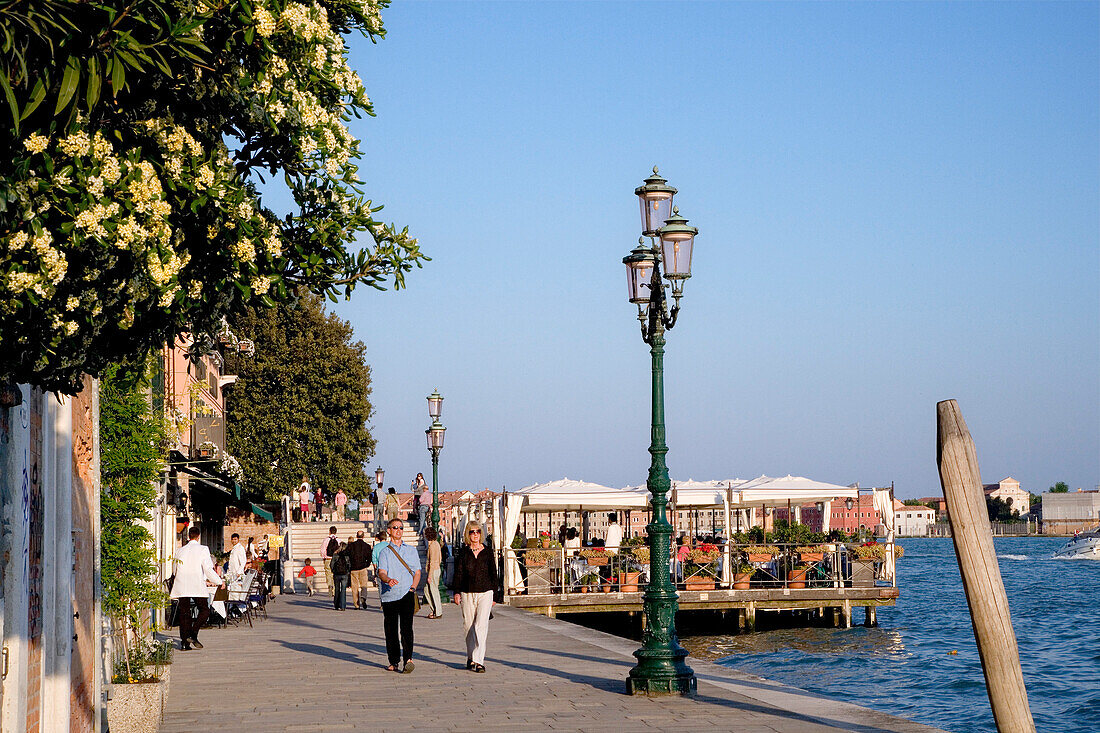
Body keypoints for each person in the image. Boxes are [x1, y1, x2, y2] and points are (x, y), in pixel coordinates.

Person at [451, 520, 497, 673]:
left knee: (480, 625)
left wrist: (496, 594)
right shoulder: (463, 553)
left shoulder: (488, 552)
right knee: (469, 626)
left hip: (486, 592)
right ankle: (471, 656)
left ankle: (479, 661)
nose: (475, 534)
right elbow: (458, 573)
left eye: (478, 531)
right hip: (467, 592)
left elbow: (493, 574)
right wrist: (456, 592)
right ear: (468, 534)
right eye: (472, 532)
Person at [376, 518, 421, 673]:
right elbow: (382, 572)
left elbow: (417, 572)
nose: (398, 530)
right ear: (389, 531)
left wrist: (413, 588)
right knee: (391, 629)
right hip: (390, 596)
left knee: (407, 628)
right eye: (395, 528)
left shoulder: (411, 550)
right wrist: (388, 580)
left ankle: (408, 659)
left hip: (407, 593)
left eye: (401, 528)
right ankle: (394, 660)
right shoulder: (385, 552)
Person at [171, 526, 224, 651]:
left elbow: (174, 570)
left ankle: (184, 644)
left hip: (182, 584)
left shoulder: (180, 550)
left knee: (184, 614)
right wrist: (218, 581)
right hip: (196, 584)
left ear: (188, 536)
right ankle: (193, 633)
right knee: (204, 610)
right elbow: (207, 568)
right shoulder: (203, 549)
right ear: (198, 536)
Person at [347, 530, 373, 609]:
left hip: (354, 568)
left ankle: (356, 604)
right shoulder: (367, 546)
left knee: (355, 587)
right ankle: (363, 597)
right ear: (363, 536)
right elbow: (369, 558)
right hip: (363, 567)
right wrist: (367, 564)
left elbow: (347, 553)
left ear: (356, 536)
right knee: (364, 585)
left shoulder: (352, 545)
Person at [423, 527, 444, 619]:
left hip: (433, 570)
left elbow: (432, 561)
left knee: (433, 590)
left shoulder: (432, 546)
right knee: (427, 590)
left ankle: (438, 611)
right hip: (436, 569)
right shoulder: (436, 544)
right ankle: (435, 609)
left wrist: (429, 575)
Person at [330, 542, 351, 610]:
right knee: (343, 590)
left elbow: (331, 564)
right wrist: (347, 572)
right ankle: (343, 606)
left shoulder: (335, 554)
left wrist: (333, 571)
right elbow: (349, 565)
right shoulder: (347, 555)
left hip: (336, 574)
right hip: (344, 574)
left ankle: (336, 604)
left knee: (337, 589)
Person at [320, 526, 339, 597]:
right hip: (336, 559)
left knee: (328, 573)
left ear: (329, 531)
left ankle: (330, 585)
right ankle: (334, 589)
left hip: (328, 559)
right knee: (335, 574)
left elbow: (322, 550)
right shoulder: (338, 540)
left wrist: (324, 557)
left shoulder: (326, 540)